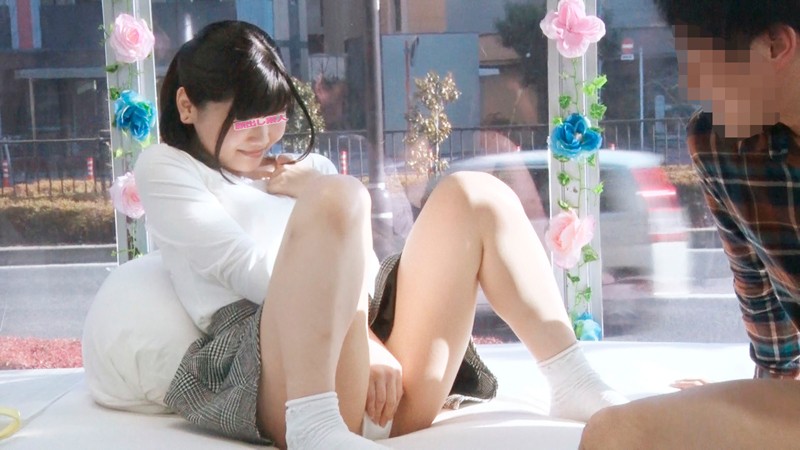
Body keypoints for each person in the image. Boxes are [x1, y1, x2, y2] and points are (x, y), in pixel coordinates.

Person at [137, 20, 626, 450]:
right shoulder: (167, 168)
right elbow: (242, 268)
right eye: (247, 120)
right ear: (187, 106)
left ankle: (572, 380)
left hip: (382, 377)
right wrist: (366, 341)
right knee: (340, 196)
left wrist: (371, 333)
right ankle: (314, 425)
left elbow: (362, 269)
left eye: (275, 116)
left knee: (476, 193)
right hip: (276, 369)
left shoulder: (308, 171)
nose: (265, 136)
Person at [580, 1, 800, 448]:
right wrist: (741, 409)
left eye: (704, 60)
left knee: (621, 434)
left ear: (777, 45)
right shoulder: (721, 146)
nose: (693, 84)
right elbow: (773, 342)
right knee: (619, 433)